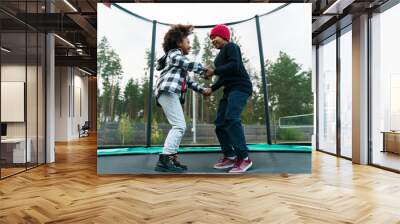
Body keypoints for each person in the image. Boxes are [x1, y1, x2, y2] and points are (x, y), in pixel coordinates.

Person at [154, 24, 212, 173]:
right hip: (167, 91)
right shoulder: (174, 54)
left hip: (168, 93)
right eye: (188, 42)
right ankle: (165, 160)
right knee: (179, 126)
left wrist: (202, 90)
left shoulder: (177, 61)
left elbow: (188, 82)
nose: (190, 45)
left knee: (179, 125)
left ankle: (171, 158)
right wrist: (203, 69)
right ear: (179, 42)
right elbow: (186, 63)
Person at [204, 24, 253, 173]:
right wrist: (212, 88)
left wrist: (214, 71)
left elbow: (234, 65)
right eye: (211, 39)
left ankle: (244, 158)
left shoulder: (232, 47)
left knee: (231, 118)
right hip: (229, 90)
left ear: (224, 36)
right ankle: (230, 156)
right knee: (220, 123)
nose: (213, 40)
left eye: (215, 37)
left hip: (241, 87)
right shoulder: (218, 57)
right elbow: (224, 78)